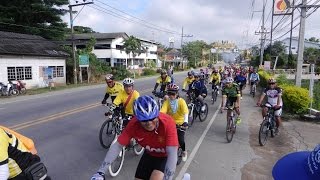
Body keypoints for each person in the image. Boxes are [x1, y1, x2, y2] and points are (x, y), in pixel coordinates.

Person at [91, 95, 179, 180]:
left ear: (157, 115)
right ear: (137, 119)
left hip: (164, 156)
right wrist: (100, 172)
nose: (149, 123)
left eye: (152, 118)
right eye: (144, 120)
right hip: (149, 154)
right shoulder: (133, 124)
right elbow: (117, 146)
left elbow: (172, 153)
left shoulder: (167, 123)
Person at [160, 84, 189, 162]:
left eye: (173, 94)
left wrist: (185, 122)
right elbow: (162, 112)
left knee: (181, 139)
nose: (171, 96)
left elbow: (186, 113)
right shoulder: (167, 102)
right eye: (169, 93)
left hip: (180, 124)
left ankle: (184, 151)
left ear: (177, 93)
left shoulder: (181, 101)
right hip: (170, 123)